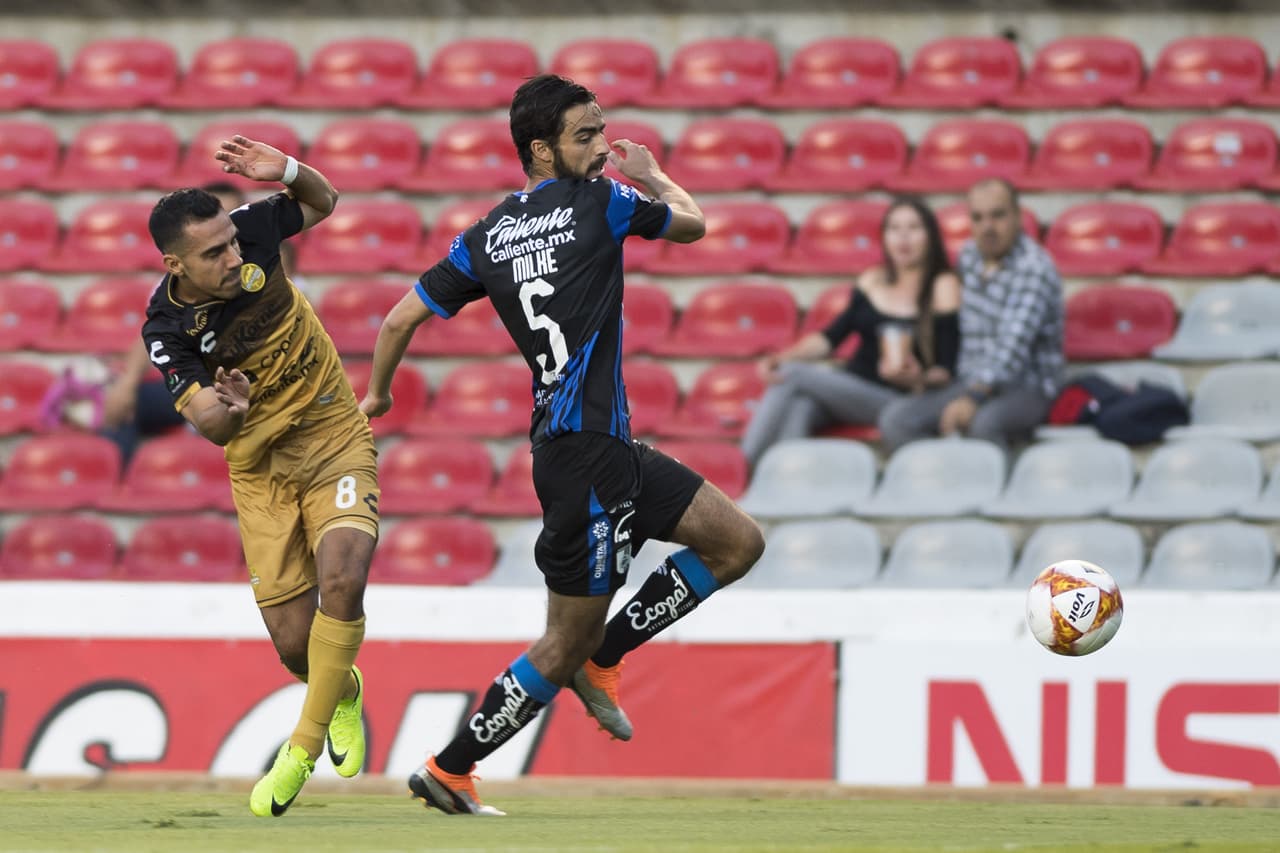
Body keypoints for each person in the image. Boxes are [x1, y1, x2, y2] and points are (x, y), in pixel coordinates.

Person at [359, 74, 765, 816]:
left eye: (604, 130)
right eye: (587, 135)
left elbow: (395, 322)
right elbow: (693, 223)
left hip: (602, 449)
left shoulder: (483, 237)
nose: (605, 148)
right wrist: (653, 175)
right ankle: (453, 766)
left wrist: (379, 394)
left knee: (737, 542)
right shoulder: (603, 202)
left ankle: (604, 656)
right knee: (558, 647)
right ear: (541, 149)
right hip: (586, 462)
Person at [141, 137, 378, 817]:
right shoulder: (165, 328)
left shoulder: (252, 228)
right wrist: (233, 409)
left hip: (333, 433)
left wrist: (291, 172)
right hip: (262, 470)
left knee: (344, 577)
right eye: (213, 253)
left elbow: (323, 202)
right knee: (294, 646)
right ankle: (343, 690)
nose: (234, 256)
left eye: (230, 242)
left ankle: (300, 744)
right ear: (174, 265)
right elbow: (210, 425)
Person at [741, 197, 961, 466]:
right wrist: (783, 356)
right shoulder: (873, 280)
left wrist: (919, 378)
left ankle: (741, 469)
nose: (903, 237)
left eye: (914, 228)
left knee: (791, 375)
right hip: (851, 388)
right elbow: (830, 338)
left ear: (930, 236)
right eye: (894, 229)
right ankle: (785, 486)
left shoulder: (943, 284)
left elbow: (946, 370)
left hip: (896, 397)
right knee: (801, 405)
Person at [877, 178, 1064, 451]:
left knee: (984, 424)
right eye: (978, 217)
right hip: (968, 381)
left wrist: (973, 397)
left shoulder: (1034, 268)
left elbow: (1010, 351)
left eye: (997, 215)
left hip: (1026, 387)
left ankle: (998, 490)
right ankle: (943, 482)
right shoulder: (969, 257)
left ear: (1018, 216)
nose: (987, 227)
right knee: (896, 420)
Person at [99, 183, 248, 462]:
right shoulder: (174, 287)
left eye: (232, 214)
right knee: (125, 404)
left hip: (254, 379)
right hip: (201, 382)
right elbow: (153, 334)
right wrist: (127, 383)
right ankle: (116, 491)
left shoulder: (268, 265)